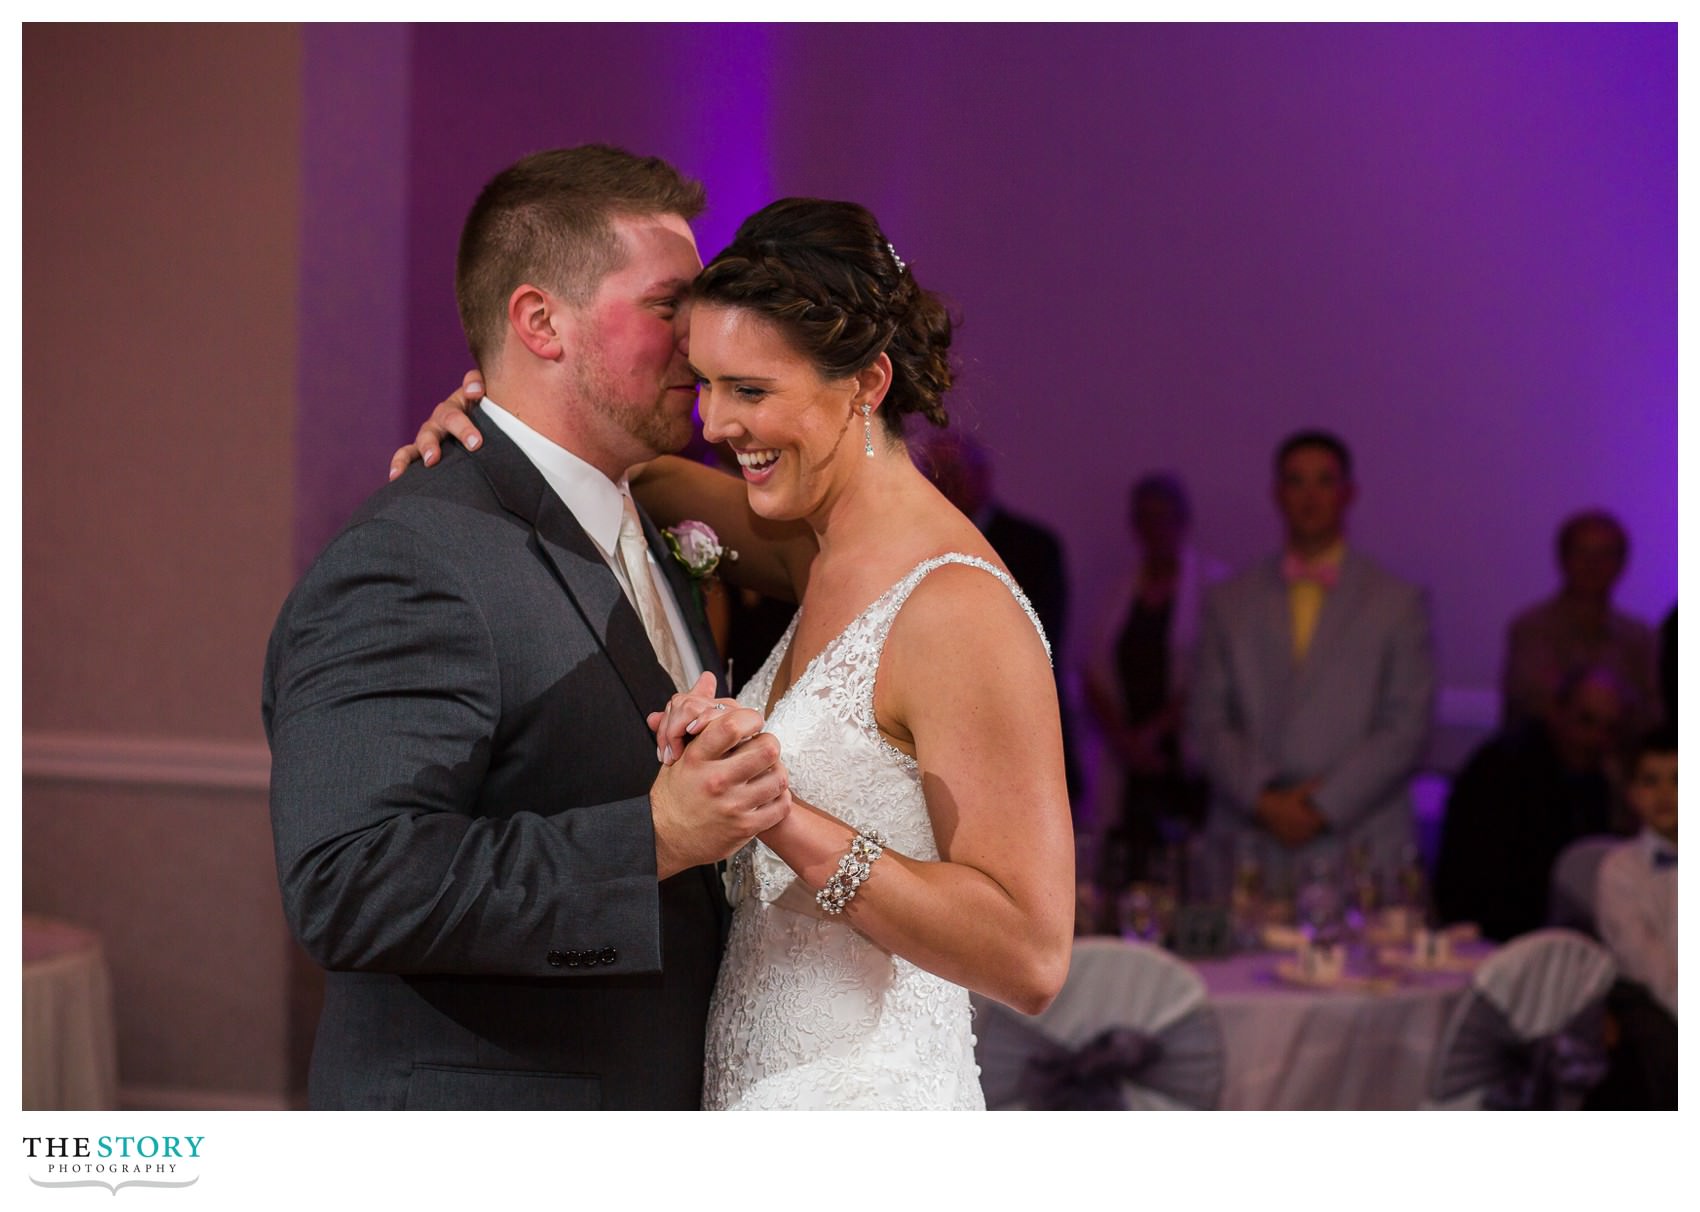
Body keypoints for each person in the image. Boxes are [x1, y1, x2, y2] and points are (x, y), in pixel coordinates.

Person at [398, 197, 1074, 1109]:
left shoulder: (958, 608)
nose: (713, 424)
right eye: (705, 382)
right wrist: (485, 419)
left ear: (867, 384)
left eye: (751, 391)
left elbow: (1031, 956)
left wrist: (776, 813)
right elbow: (612, 471)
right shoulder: (815, 544)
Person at [264, 146, 796, 1110]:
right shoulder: (415, 555)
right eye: (669, 306)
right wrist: (653, 839)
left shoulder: (643, 515)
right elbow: (350, 882)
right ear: (540, 322)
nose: (705, 338)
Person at [1186, 430, 1434, 892]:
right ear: (1278, 494)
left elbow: (1406, 728)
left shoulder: (1397, 602)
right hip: (1251, 839)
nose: (1310, 496)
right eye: (1296, 482)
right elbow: (1207, 720)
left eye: (1324, 481)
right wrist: (1265, 800)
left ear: (1348, 493)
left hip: (1358, 838)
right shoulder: (1230, 601)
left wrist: (1321, 806)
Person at [910, 427, 1082, 805]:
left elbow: (1040, 642)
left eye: (952, 474)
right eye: (933, 475)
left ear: (982, 476)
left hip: (1015, 729)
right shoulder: (910, 544)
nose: (943, 486)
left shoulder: (1032, 546)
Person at [1082, 473, 1227, 887]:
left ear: (1183, 521)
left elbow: (1212, 674)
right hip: (1126, 762)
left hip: (1183, 761)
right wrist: (1126, 740)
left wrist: (1153, 735)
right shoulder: (1118, 593)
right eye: (1145, 518)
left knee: (1185, 873)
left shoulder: (1214, 588)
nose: (1155, 529)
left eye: (1164, 517)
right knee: (1126, 872)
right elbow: (1093, 672)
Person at [1432, 666, 1626, 942]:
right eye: (1586, 721)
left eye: (1609, 729)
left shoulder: (1596, 781)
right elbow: (1482, 881)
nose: (1596, 738)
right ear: (1556, 712)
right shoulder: (1502, 770)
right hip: (1491, 937)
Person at [1502, 510, 1659, 745]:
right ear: (1562, 559)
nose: (1592, 564)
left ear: (1622, 563)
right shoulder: (1532, 629)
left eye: (1605, 554)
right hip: (1544, 765)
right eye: (1582, 552)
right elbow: (1532, 702)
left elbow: (1653, 713)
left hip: (1620, 767)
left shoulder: (1639, 637)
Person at [1589, 726, 1677, 1109]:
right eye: (1650, 781)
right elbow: (1645, 959)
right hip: (1652, 1004)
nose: (1665, 794)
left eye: (1678, 780)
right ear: (1632, 794)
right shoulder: (1620, 870)